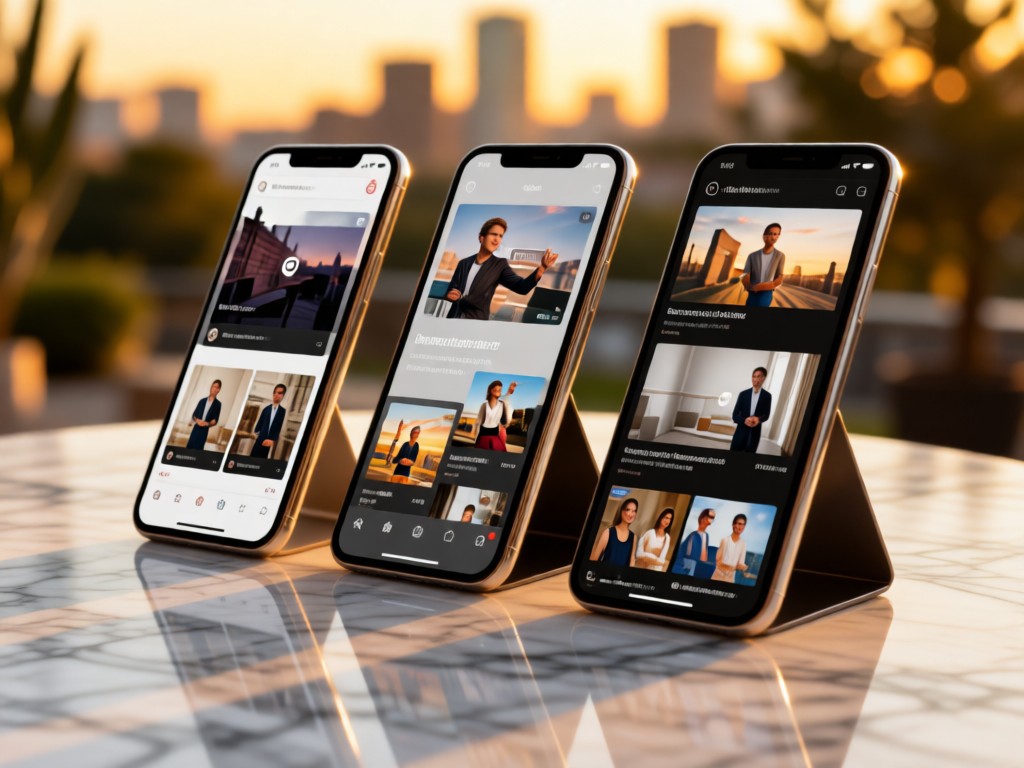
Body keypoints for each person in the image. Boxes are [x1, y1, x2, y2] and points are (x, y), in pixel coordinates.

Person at [444, 217, 558, 320]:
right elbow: (451, 289)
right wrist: (451, 294)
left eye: (500, 236)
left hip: (476, 322)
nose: (497, 239)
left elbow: (521, 287)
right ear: (481, 238)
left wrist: (542, 268)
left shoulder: (499, 265)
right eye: (494, 234)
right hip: (453, 317)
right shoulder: (463, 263)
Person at [740, 223, 786, 307]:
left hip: (767, 292)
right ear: (764, 236)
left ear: (778, 236)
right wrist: (750, 286)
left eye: (775, 234)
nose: (772, 237)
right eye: (769, 233)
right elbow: (745, 274)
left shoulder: (780, 256)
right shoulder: (752, 255)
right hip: (752, 291)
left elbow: (779, 278)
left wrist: (763, 286)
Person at [731, 367, 771, 453]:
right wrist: (744, 420)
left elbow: (766, 415)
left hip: (755, 434)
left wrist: (758, 419)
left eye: (758, 376)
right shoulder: (743, 394)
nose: (755, 379)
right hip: (740, 432)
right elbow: (734, 415)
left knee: (748, 461)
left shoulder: (767, 396)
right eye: (753, 376)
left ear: (763, 378)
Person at [589, 497, 638, 567]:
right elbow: (594, 559)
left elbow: (632, 561)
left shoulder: (634, 537)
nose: (631, 514)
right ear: (621, 510)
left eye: (634, 511)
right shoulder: (608, 532)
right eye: (628, 510)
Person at [474, 380, 517, 451]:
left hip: (500, 432)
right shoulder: (484, 406)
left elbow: (506, 399)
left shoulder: (502, 404)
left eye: (500, 390)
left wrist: (509, 392)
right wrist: (476, 441)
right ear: (491, 391)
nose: (498, 391)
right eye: (496, 389)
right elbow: (479, 423)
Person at [250, 384, 287, 459]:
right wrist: (258, 434)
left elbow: (280, 427)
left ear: (283, 395)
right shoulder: (266, 409)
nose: (276, 394)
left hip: (271, 441)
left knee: (263, 461)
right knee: (253, 457)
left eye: (279, 393)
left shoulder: (283, 412)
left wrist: (273, 440)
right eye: (275, 392)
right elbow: (259, 425)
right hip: (260, 439)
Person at [711, 514, 749, 583]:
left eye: (743, 525)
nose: (741, 527)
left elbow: (740, 563)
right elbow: (718, 562)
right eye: (739, 524)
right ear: (733, 525)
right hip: (718, 577)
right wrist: (733, 567)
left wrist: (743, 566)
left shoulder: (743, 544)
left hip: (730, 579)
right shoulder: (725, 540)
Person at [678, 508, 715, 576]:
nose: (711, 519)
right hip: (689, 565)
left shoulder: (706, 536)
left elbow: (704, 556)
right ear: (702, 517)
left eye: (712, 517)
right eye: (709, 516)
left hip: (699, 566)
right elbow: (686, 555)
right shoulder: (693, 535)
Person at [186, 379, 222, 450]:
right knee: (189, 447)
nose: (213, 389)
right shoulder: (202, 401)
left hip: (204, 430)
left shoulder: (218, 404)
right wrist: (197, 421)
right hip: (196, 428)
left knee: (198, 449)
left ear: (218, 390)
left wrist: (207, 423)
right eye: (212, 386)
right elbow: (194, 415)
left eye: (215, 387)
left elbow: (215, 420)